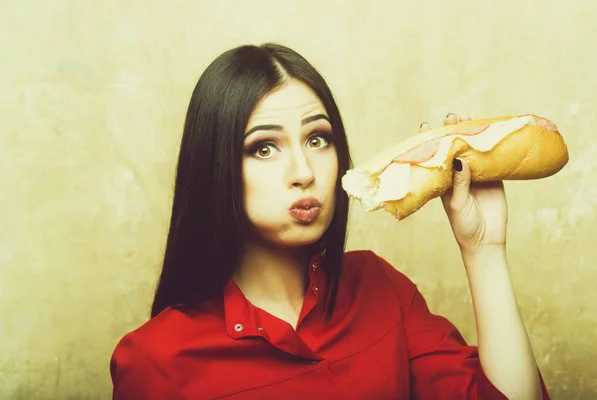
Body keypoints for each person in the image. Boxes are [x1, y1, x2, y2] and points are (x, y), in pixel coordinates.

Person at [109, 43, 551, 399]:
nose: (304, 172)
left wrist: (484, 249)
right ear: (214, 165)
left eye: (318, 139)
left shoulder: (381, 289)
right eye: (264, 148)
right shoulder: (156, 360)